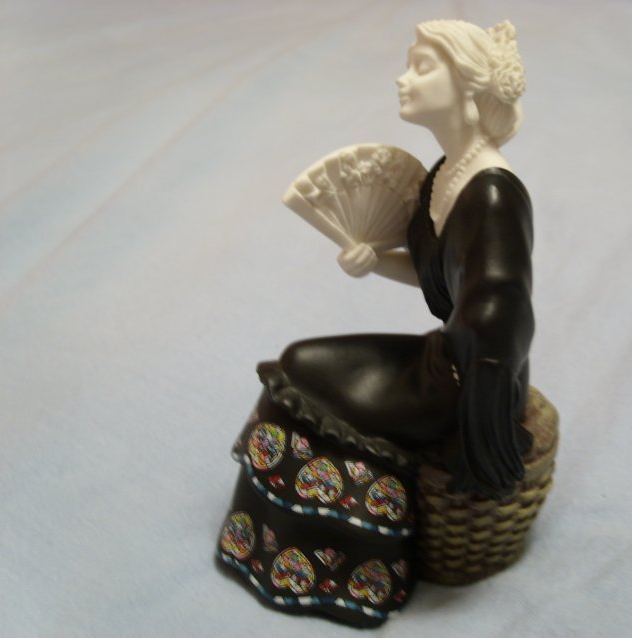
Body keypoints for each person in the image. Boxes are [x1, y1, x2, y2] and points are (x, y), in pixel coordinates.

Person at [217, 19, 534, 628]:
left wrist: (483, 416)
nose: (402, 78)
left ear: (468, 87)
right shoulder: (446, 173)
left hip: (466, 381)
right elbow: (442, 281)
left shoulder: (493, 192)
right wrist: (375, 261)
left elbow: (502, 307)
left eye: (421, 66)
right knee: (298, 363)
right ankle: (289, 551)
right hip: (444, 356)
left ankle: (350, 567)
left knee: (301, 370)